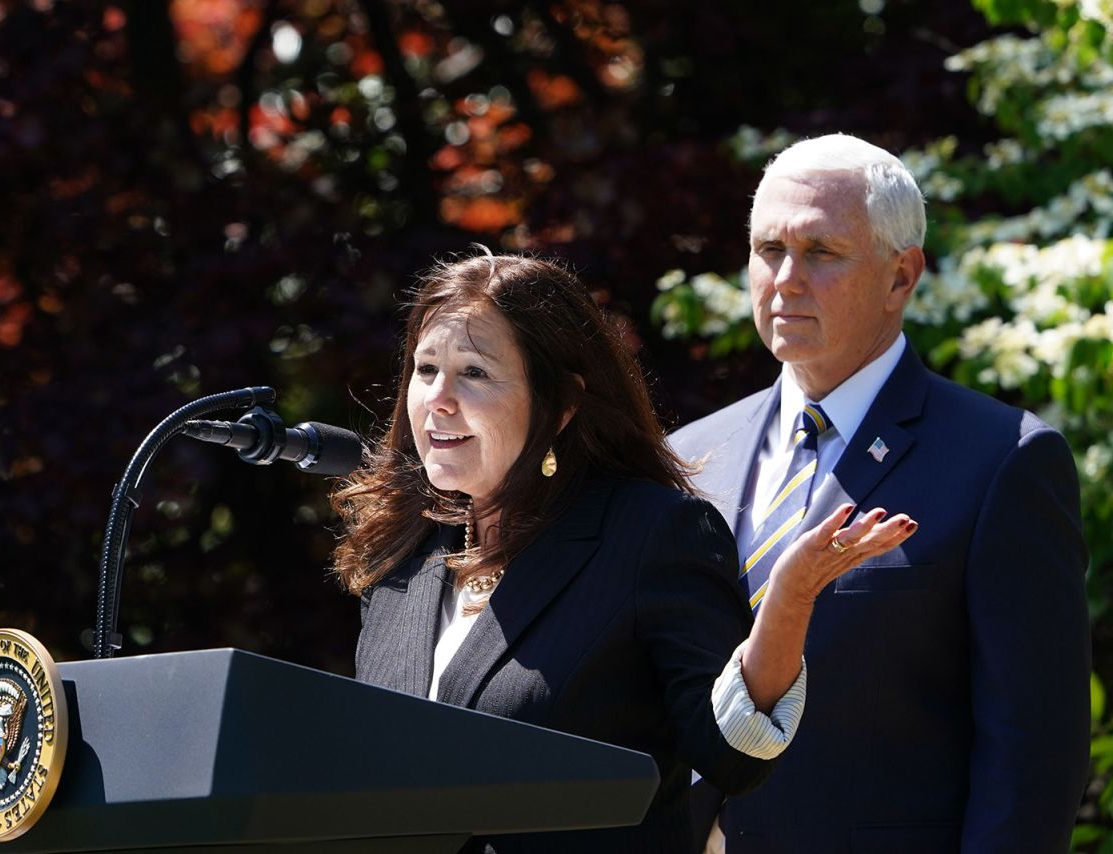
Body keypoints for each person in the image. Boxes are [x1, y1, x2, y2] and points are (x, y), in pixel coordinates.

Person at [332, 251, 915, 853]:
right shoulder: (405, 555)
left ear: (562, 404)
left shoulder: (652, 536)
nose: (438, 398)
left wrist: (788, 599)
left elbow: (733, 757)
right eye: (425, 369)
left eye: (474, 373)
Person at [669, 133, 1090, 853]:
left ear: (902, 277)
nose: (786, 279)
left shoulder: (1002, 463)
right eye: (769, 250)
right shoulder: (690, 457)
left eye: (821, 252)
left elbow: (1034, 755)